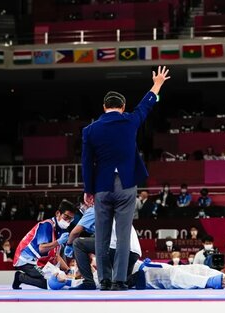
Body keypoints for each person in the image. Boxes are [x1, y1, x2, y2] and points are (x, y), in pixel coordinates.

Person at [81, 66, 170, 291]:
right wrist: (157, 83)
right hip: (126, 185)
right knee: (122, 236)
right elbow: (146, 104)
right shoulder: (129, 121)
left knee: (101, 237)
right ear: (122, 107)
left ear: (104, 107)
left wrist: (88, 189)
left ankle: (104, 280)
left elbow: (86, 162)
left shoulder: (90, 130)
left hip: (101, 186)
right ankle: (119, 281)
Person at [12, 200, 76, 289]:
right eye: (66, 217)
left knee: (58, 280)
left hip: (38, 261)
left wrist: (68, 271)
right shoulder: (46, 225)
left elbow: (56, 256)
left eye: (70, 219)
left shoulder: (60, 230)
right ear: (58, 213)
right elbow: (42, 249)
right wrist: (58, 242)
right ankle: (20, 277)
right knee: (48, 283)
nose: (68, 221)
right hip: (25, 259)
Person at [132, 258, 225, 289]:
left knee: (198, 268)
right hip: (137, 276)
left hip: (138, 266)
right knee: (173, 275)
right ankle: (214, 282)